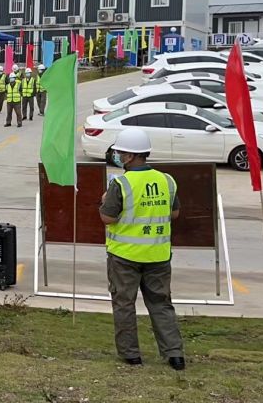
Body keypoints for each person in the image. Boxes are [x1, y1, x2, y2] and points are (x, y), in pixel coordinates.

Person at [99, 129, 185, 370]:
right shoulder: (167, 180)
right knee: (161, 304)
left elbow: (107, 218)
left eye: (120, 153)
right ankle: (175, 354)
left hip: (124, 256)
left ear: (129, 156)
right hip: (158, 255)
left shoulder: (121, 184)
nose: (117, 156)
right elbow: (174, 213)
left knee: (124, 304)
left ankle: (131, 355)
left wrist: (104, 201)